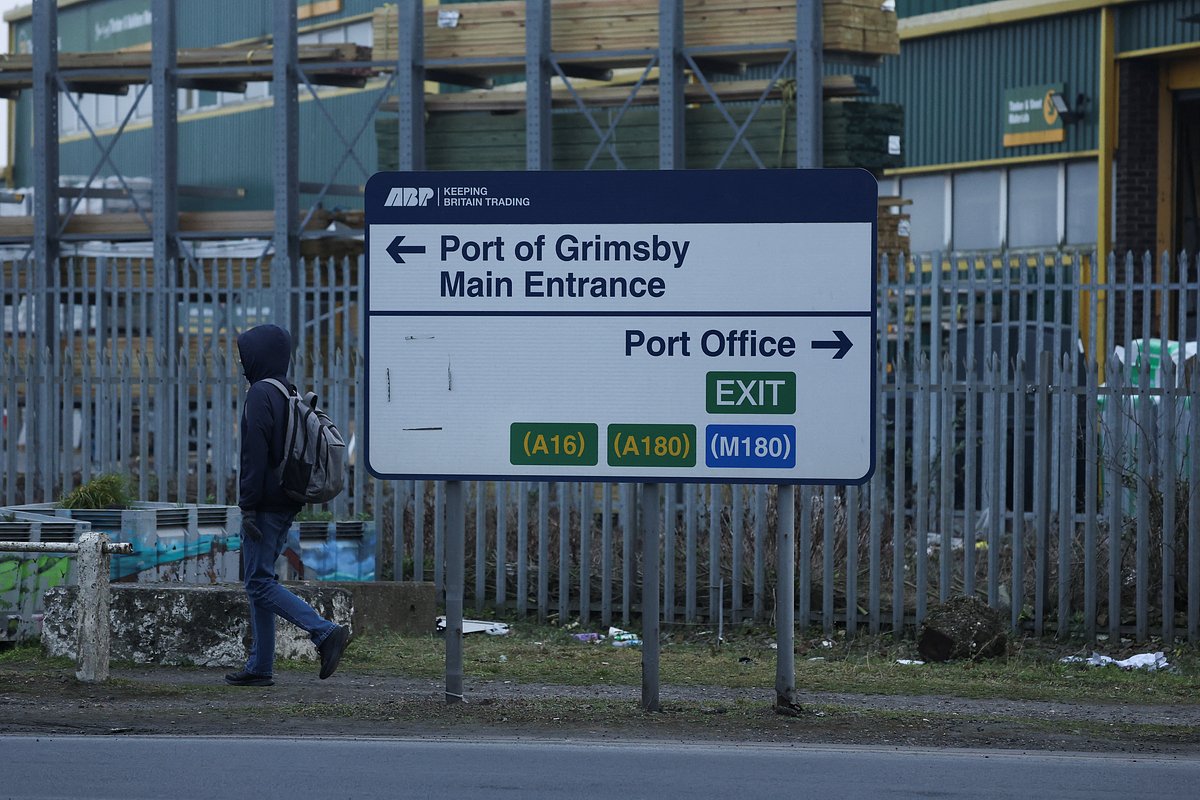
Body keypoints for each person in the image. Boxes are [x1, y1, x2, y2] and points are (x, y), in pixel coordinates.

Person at [224, 323, 350, 687]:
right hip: (285, 501)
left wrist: (246, 506)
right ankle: (260, 665)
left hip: (263, 505)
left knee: (260, 582)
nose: (243, 361)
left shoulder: (261, 394)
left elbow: (255, 455)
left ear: (258, 355)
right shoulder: (286, 390)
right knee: (259, 580)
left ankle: (324, 632)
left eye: (245, 353)